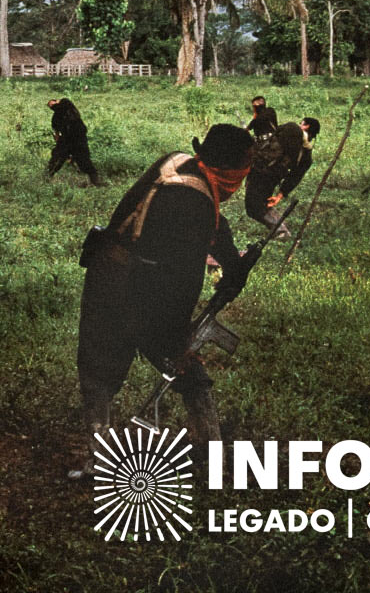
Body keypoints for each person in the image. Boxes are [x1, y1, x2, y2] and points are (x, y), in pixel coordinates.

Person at [72, 124, 257, 476]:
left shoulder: (181, 164)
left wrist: (233, 264)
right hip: (131, 280)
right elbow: (182, 278)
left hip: (114, 269)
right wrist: (177, 337)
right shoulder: (188, 202)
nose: (244, 178)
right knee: (164, 359)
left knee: (102, 365)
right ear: (229, 169)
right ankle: (102, 456)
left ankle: (205, 446)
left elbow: (215, 222)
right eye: (243, 168)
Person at [244, 116, 318, 224]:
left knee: (253, 209)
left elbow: (271, 137)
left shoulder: (292, 128)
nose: (299, 125)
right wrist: (280, 195)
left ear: (306, 126)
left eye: (301, 123)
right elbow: (295, 176)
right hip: (272, 179)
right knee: (260, 206)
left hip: (259, 170)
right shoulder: (307, 155)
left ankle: (280, 231)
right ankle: (279, 230)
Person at [45, 97, 100, 186]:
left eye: (52, 103)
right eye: (50, 105)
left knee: (84, 162)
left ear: (57, 101)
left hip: (76, 139)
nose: (51, 105)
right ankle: (46, 178)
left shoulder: (64, 107)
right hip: (70, 139)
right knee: (57, 160)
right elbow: (57, 132)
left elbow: (58, 132)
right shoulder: (62, 114)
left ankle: (95, 181)